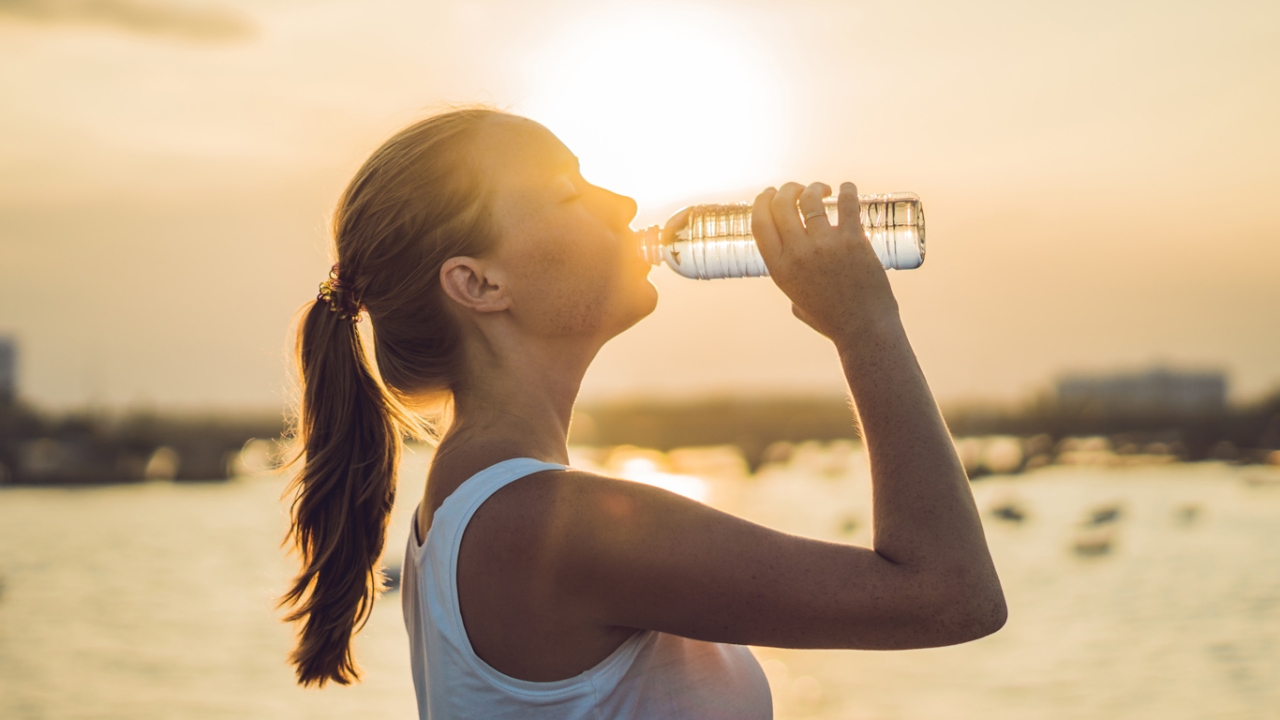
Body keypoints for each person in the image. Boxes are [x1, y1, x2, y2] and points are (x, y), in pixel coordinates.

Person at [280, 108, 1006, 719]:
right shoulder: (543, 524)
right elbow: (950, 594)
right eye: (570, 194)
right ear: (478, 283)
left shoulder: (468, 512)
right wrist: (865, 325)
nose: (622, 206)